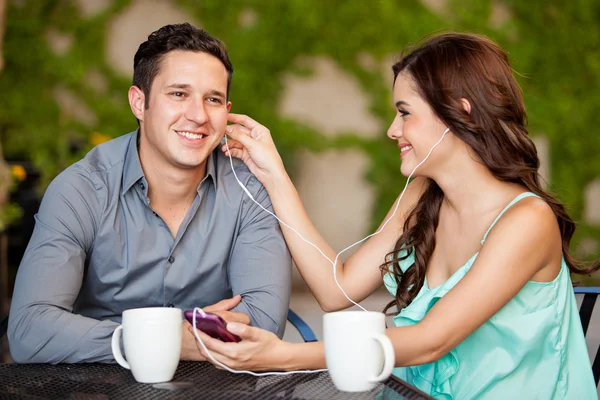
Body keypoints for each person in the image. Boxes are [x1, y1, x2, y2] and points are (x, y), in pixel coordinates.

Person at [193, 32, 599, 398]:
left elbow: (431, 341)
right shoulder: (423, 193)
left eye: (404, 112)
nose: (392, 129)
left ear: (459, 114)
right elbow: (339, 290)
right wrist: (274, 175)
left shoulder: (527, 221)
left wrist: (285, 356)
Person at [7, 23, 292, 364]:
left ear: (227, 110)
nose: (198, 115)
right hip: (98, 385)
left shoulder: (248, 189)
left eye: (212, 99)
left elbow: (263, 323)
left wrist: (164, 339)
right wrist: (165, 340)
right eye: (178, 94)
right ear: (139, 103)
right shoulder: (81, 190)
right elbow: (29, 330)